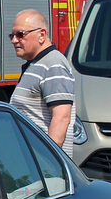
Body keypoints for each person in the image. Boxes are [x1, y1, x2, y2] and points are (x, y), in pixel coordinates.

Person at [8, 9, 75, 155]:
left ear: (42, 35)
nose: (14, 40)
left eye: (20, 34)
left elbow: (61, 117)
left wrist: (50, 163)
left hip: (45, 170)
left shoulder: (53, 64)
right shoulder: (37, 64)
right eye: (12, 35)